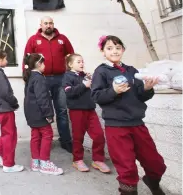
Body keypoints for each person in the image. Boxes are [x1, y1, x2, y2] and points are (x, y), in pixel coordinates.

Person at [91, 35, 166, 195]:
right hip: (116, 128)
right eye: (109, 48)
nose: (115, 51)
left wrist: (146, 88)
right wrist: (113, 91)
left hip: (137, 124)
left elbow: (141, 95)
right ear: (103, 52)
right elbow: (96, 96)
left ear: (123, 50)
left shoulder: (132, 70)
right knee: (127, 169)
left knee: (155, 164)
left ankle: (153, 183)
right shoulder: (101, 71)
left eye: (118, 48)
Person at [23, 16, 74, 153]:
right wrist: (27, 78)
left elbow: (71, 57)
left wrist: (71, 75)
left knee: (62, 111)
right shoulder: (33, 40)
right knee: (41, 110)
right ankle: (44, 139)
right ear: (41, 25)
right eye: (45, 23)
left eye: (50, 23)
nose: (48, 25)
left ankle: (65, 141)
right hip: (41, 80)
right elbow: (27, 60)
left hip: (61, 79)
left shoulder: (62, 39)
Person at [62, 53, 110, 173]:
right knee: (78, 137)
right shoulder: (67, 76)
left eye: (82, 61)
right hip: (76, 111)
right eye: (78, 61)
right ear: (70, 64)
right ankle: (77, 160)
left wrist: (90, 80)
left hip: (90, 110)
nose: (82, 63)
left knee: (99, 135)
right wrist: (83, 85)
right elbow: (69, 92)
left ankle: (98, 160)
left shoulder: (86, 76)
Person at [24, 53, 63, 175]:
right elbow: (42, 98)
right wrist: (48, 114)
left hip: (31, 113)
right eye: (44, 63)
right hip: (40, 113)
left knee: (35, 136)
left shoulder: (30, 76)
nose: (45, 65)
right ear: (38, 64)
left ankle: (36, 162)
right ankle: (45, 163)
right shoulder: (39, 78)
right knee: (47, 134)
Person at [0, 49, 23, 173]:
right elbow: (4, 92)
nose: (7, 61)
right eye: (5, 59)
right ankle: (8, 164)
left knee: (7, 133)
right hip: (4, 107)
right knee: (10, 135)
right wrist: (14, 102)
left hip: (0, 108)